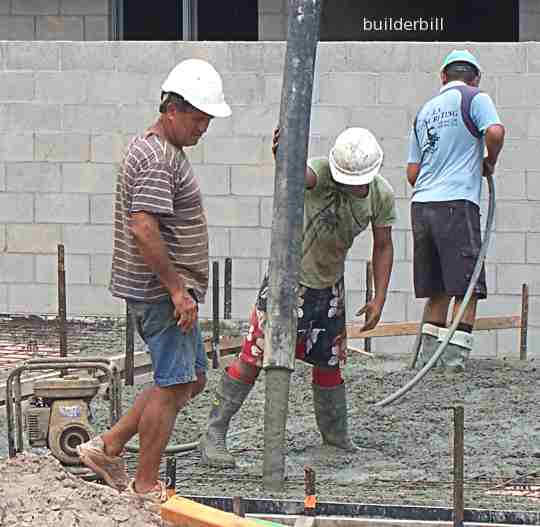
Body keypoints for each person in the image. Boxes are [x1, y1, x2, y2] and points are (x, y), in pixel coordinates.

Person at [77, 59, 231, 502]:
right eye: (199, 119)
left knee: (190, 379)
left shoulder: (160, 151)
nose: (204, 128)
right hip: (162, 294)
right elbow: (143, 227)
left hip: (165, 292)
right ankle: (144, 484)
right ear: (172, 110)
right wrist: (177, 290)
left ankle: (109, 445)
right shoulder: (158, 157)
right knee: (172, 384)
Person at [200, 126, 396, 468]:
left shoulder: (380, 195)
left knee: (329, 362)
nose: (351, 187)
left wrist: (379, 297)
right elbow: (296, 173)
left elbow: (383, 245)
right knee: (254, 357)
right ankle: (213, 434)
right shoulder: (320, 174)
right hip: (288, 281)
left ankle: (335, 438)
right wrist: (283, 152)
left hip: (329, 286)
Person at [406, 49, 505, 372]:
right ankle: (453, 362)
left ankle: (427, 363)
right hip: (456, 203)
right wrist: (488, 162)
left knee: (436, 288)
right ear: (475, 78)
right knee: (466, 286)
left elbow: (412, 172)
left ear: (443, 78)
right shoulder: (475, 98)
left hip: (422, 206)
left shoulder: (424, 111)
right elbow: (495, 132)